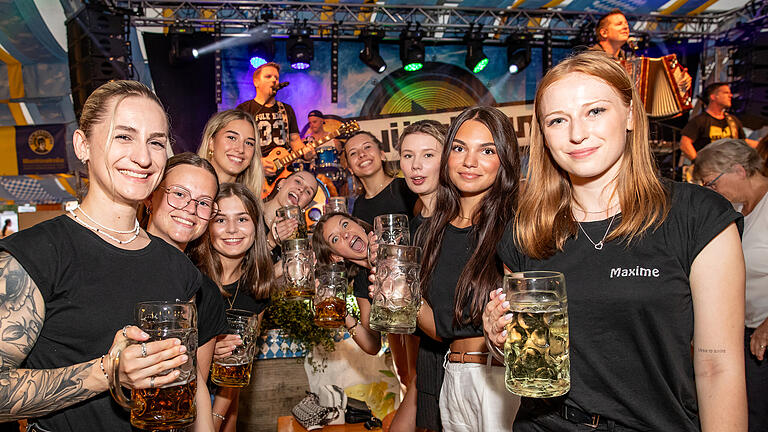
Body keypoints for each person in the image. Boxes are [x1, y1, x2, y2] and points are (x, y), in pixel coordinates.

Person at [484, 50, 747, 431]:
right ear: (543, 134)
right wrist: (497, 337)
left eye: (595, 111)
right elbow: (531, 356)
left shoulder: (697, 217)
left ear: (629, 115)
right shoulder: (526, 230)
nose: (577, 133)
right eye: (558, 120)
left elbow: (718, 367)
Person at [0, 81, 204, 431]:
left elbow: (186, 381)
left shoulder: (178, 268)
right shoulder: (34, 254)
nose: (143, 157)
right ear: (83, 145)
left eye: (155, 142)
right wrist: (108, 372)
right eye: (124, 136)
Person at [411, 106, 521, 431]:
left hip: (499, 381)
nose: (469, 161)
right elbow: (441, 328)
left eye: (487, 150)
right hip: (453, 376)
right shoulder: (433, 231)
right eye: (459, 148)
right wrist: (400, 290)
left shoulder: (515, 226)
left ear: (505, 159)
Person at [144, 152, 229, 430]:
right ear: (149, 196)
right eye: (179, 194)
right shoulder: (111, 267)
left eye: (204, 202)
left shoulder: (206, 294)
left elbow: (194, 385)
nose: (191, 208)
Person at [692, 139, 768, 432]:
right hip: (742, 331)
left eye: (711, 183)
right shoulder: (737, 208)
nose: (710, 191)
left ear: (738, 170)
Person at [189, 183, 275, 432]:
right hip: (178, 400)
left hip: (222, 403)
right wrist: (207, 348)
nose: (232, 230)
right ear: (207, 226)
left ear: (255, 226)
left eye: (242, 219)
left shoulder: (257, 289)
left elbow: (239, 366)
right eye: (220, 220)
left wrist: (218, 419)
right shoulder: (190, 275)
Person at [393, 119, 449, 431]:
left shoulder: (460, 221)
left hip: (462, 363)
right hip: (428, 362)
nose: (416, 165)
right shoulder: (413, 229)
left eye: (428, 155)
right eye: (407, 155)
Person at [235, 62, 313, 178]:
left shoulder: (286, 109)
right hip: (254, 173)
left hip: (284, 172)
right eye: (268, 77)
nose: (274, 80)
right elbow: (238, 143)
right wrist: (257, 163)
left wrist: (306, 153)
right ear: (256, 82)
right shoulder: (244, 109)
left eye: (276, 78)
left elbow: (295, 140)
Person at [680, 82, 758, 161]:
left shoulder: (732, 120)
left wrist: (763, 144)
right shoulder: (700, 121)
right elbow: (684, 144)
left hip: (730, 168)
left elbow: (742, 141)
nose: (730, 96)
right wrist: (698, 163)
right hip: (709, 169)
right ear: (713, 97)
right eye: (726, 93)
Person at [197, 109, 265, 198]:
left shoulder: (248, 202)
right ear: (211, 142)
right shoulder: (188, 187)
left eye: (249, 143)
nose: (241, 149)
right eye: (232, 138)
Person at [262, 170, 319, 259]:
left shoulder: (296, 240)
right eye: (298, 181)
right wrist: (271, 241)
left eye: (308, 192)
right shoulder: (250, 212)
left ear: (305, 207)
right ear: (281, 183)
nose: (301, 189)